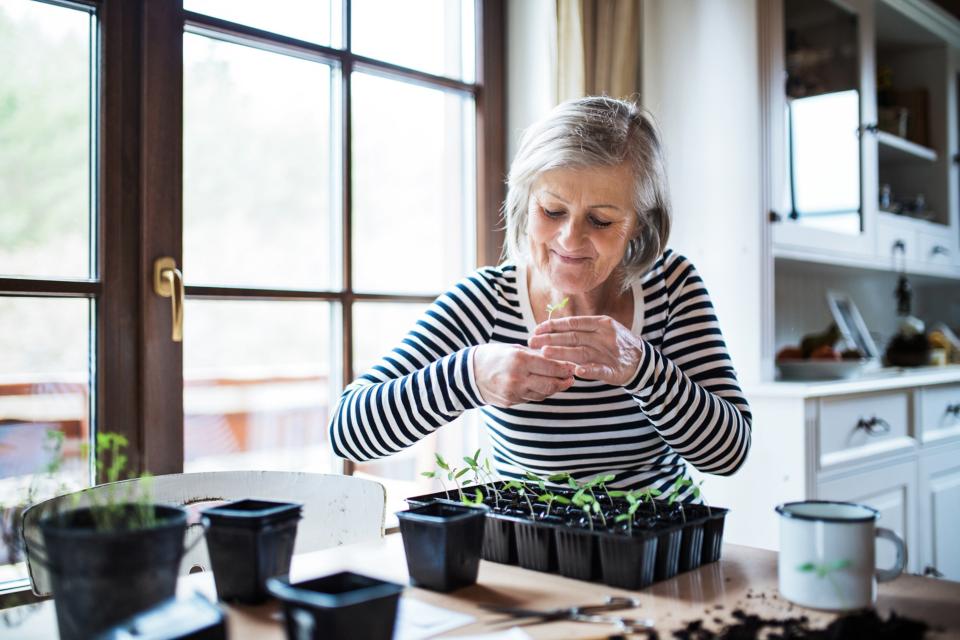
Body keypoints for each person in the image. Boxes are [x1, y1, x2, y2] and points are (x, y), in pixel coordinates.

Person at [329, 96, 751, 502]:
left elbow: (730, 452)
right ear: (525, 203)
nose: (570, 239)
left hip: (658, 553)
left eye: (601, 220)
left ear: (640, 225)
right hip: (533, 555)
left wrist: (642, 368)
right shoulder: (486, 301)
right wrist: (468, 377)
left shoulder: (672, 287)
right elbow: (347, 431)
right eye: (552, 211)